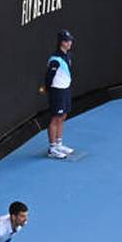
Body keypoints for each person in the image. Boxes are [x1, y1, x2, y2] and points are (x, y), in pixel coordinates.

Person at [41, 30, 75, 159]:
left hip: (65, 90)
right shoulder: (55, 59)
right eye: (67, 41)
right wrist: (49, 90)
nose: (69, 43)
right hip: (57, 92)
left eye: (70, 40)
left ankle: (59, 144)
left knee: (63, 115)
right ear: (61, 42)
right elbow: (49, 77)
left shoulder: (68, 55)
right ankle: (52, 148)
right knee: (55, 118)